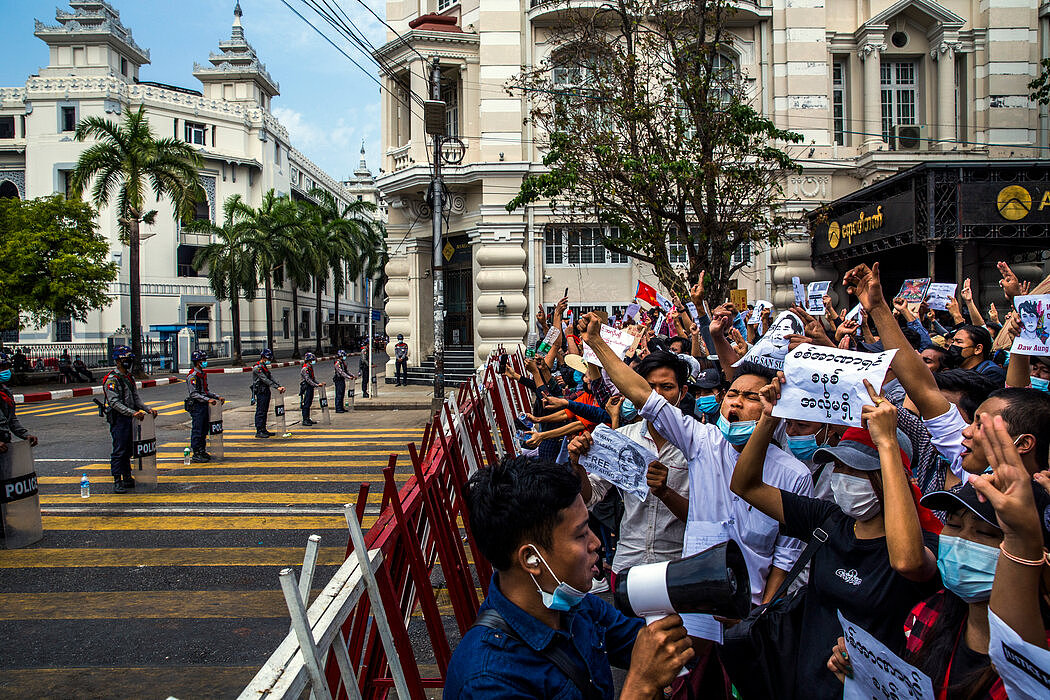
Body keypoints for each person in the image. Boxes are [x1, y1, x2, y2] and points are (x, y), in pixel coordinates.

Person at [582, 314, 813, 638]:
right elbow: (643, 397)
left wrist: (759, 618)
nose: (736, 404)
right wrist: (597, 343)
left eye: (751, 398)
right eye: (733, 394)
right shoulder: (703, 442)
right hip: (695, 611)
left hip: (752, 620)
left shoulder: (794, 475)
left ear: (772, 406)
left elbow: (785, 560)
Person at [730, 375, 939, 700]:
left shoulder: (919, 544)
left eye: (858, 471)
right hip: (804, 686)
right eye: (839, 467)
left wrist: (886, 444)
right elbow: (746, 486)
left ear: (893, 475)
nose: (844, 478)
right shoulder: (828, 519)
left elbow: (908, 562)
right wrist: (768, 420)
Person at [444, 455, 694, 699]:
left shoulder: (578, 607)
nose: (596, 543)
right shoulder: (488, 681)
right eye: (581, 534)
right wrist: (641, 687)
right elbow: (645, 671)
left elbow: (647, 643)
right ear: (531, 559)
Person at [567, 352, 690, 582]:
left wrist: (666, 492)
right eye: (649, 387)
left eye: (667, 387)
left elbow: (703, 515)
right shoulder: (624, 438)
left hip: (678, 566)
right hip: (628, 564)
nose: (657, 396)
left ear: (682, 392)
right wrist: (578, 467)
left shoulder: (697, 444)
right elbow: (592, 495)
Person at [104, 346, 156, 493]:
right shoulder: (112, 380)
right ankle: (117, 480)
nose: (128, 362)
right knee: (119, 450)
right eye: (125, 359)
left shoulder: (129, 377)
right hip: (120, 419)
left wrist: (147, 409)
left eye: (129, 359)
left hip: (131, 419)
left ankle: (127, 477)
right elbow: (114, 403)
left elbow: (136, 398)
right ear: (118, 361)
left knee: (128, 450)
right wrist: (132, 413)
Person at [186, 350, 223, 461]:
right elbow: (194, 394)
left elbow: (205, 391)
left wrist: (216, 397)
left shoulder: (201, 374)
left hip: (204, 406)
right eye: (203, 360)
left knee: (204, 429)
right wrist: (208, 400)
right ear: (198, 362)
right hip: (197, 406)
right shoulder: (192, 376)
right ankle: (196, 452)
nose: (205, 362)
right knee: (197, 429)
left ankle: (202, 450)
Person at [0, 352, 38, 453]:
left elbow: (11, 419)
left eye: (5, 367)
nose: (4, 370)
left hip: (4, 442)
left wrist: (25, 435)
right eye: (1, 368)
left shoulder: (5, 392)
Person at [251, 348, 284, 438]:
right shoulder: (257, 368)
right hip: (261, 391)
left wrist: (279, 385)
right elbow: (265, 380)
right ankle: (259, 430)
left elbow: (271, 377)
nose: (269, 361)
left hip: (266, 391)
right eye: (268, 359)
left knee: (265, 411)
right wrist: (277, 387)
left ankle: (263, 429)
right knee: (260, 411)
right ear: (263, 357)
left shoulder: (264, 367)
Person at [299, 352, 323, 426]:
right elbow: (308, 379)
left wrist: (318, 383)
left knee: (309, 403)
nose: (313, 361)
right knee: (306, 404)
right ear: (309, 360)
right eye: (312, 360)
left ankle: (308, 418)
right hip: (306, 387)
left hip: (310, 387)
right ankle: (305, 419)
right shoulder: (305, 368)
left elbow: (313, 378)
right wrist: (316, 385)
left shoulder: (310, 367)